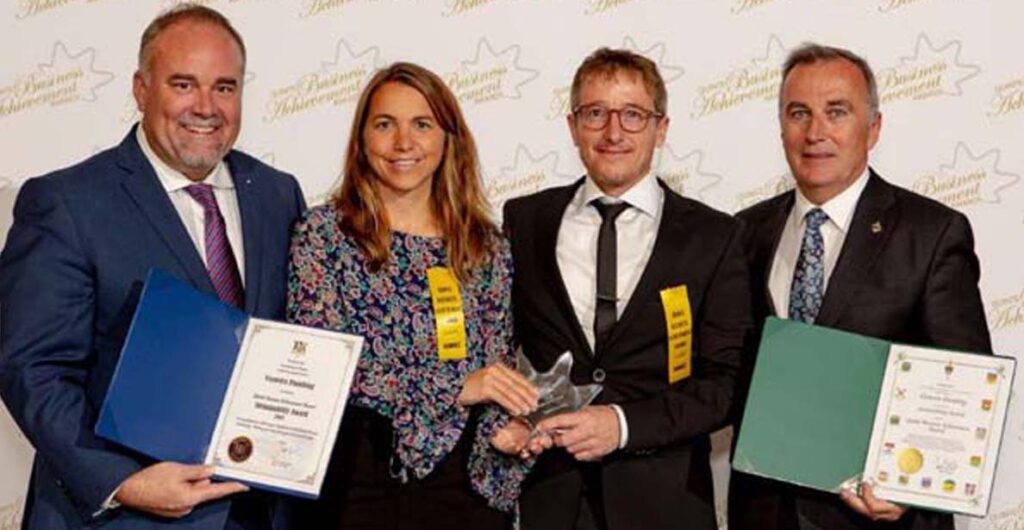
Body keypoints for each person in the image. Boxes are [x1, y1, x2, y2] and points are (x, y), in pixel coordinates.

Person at [0, 4, 306, 530]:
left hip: (257, 514)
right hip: (123, 517)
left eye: (225, 87)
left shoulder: (277, 194)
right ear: (141, 90)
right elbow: (33, 367)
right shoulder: (67, 203)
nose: (206, 106)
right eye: (183, 84)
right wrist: (124, 482)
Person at [728, 42, 991, 530]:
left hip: (878, 519)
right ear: (781, 127)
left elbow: (965, 385)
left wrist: (911, 491)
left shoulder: (931, 233)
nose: (815, 133)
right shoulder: (742, 233)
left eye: (837, 112)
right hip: (764, 513)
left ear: (873, 128)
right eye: (799, 113)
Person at [503, 48, 753, 530]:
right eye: (596, 114)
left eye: (633, 115)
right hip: (550, 498)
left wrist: (621, 426)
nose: (614, 132)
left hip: (667, 504)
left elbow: (727, 383)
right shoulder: (524, 221)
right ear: (573, 126)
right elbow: (494, 349)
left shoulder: (715, 237)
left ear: (661, 128)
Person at [286, 62, 538, 530]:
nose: (403, 143)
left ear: (448, 138)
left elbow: (495, 370)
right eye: (385, 125)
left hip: (463, 486)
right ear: (362, 139)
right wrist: (455, 387)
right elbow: (322, 367)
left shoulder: (485, 246)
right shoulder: (324, 235)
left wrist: (504, 431)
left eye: (422, 125)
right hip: (356, 476)